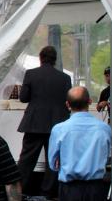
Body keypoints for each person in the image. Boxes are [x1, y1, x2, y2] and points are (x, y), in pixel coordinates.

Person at [16, 45, 71, 197]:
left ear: (40, 58)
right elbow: (69, 101)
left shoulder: (31, 74)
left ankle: (21, 190)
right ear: (55, 60)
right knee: (53, 160)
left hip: (34, 123)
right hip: (57, 124)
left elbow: (23, 98)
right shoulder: (65, 78)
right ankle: (48, 192)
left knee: (26, 160)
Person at [49, 86, 111, 201]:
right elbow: (107, 157)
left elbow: (53, 164)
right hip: (96, 188)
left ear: (67, 104)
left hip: (69, 188)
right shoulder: (104, 128)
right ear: (90, 102)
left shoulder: (59, 129)